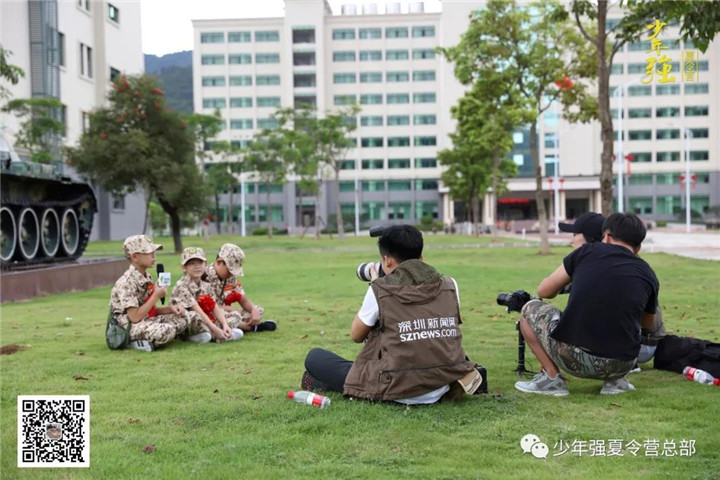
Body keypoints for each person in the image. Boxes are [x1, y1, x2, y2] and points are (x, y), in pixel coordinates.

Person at [302, 225, 481, 404]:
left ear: (387, 261)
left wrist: (376, 286)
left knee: (315, 358)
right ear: (421, 258)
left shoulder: (380, 290)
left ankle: (325, 383)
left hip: (395, 388)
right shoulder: (450, 285)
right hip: (442, 384)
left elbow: (356, 335)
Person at [515, 213, 659, 396]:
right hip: (624, 364)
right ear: (638, 248)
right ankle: (615, 383)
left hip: (575, 360)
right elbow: (647, 325)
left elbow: (544, 291)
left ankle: (551, 379)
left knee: (529, 307)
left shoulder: (586, 252)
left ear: (606, 236)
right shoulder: (648, 273)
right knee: (629, 321)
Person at [559, 212, 666, 366]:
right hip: (639, 344)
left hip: (639, 344)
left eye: (576, 234)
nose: (571, 240)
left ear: (603, 238)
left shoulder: (598, 261)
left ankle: (551, 376)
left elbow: (547, 290)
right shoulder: (640, 268)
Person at [110, 235, 188, 352]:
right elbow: (135, 317)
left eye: (154, 252)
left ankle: (151, 340)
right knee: (166, 330)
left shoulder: (147, 277)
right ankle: (133, 343)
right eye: (148, 253)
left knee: (184, 318)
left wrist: (171, 309)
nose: (153, 256)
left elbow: (151, 311)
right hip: (130, 327)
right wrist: (156, 295)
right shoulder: (126, 282)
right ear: (135, 257)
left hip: (147, 321)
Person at [170, 247, 244, 343]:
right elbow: (196, 309)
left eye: (200, 263)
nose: (197, 267)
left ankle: (215, 334)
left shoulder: (206, 285)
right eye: (192, 263)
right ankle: (193, 337)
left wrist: (225, 324)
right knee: (194, 316)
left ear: (206, 264)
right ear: (184, 267)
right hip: (192, 322)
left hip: (207, 320)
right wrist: (214, 328)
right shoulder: (181, 285)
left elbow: (214, 306)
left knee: (236, 315)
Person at [205, 243, 277, 334]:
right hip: (212, 314)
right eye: (230, 270)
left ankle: (241, 326)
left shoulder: (230, 277)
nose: (232, 274)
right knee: (233, 317)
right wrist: (230, 309)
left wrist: (253, 310)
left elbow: (242, 298)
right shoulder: (204, 277)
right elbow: (206, 306)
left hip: (229, 314)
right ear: (219, 262)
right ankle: (250, 328)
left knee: (258, 310)